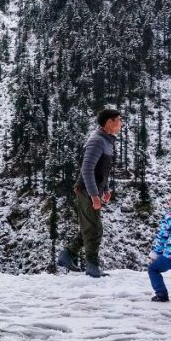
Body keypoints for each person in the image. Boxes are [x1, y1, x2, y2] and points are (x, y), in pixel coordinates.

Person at [58, 109, 122, 278]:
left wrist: (105, 188)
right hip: (87, 189)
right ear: (109, 122)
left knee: (90, 226)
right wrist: (94, 195)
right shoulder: (97, 141)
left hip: (93, 188)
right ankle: (92, 266)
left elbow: (102, 169)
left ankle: (67, 255)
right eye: (118, 121)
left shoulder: (106, 140)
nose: (120, 124)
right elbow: (87, 170)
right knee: (94, 228)